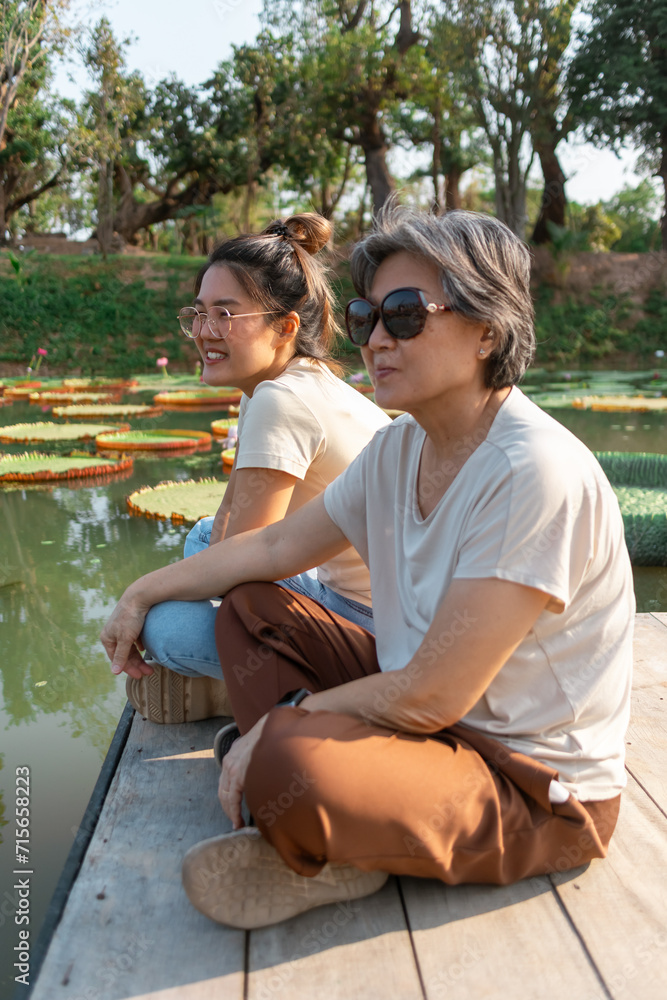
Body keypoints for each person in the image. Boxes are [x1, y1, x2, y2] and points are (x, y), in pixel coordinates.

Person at [101, 207, 634, 931]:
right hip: (427, 726)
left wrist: (285, 723)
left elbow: (431, 694)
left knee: (289, 760)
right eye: (366, 316)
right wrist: (141, 592)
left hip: (528, 783)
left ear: (488, 330)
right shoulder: (398, 448)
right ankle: (325, 808)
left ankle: (315, 808)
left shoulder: (530, 470)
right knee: (254, 606)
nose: (377, 339)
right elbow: (268, 550)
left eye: (406, 316)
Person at [125, 213, 389, 723]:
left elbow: (243, 556)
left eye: (225, 315)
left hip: (375, 628)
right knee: (201, 538)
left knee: (164, 628)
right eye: (199, 314)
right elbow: (227, 532)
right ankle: (249, 673)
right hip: (362, 595)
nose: (204, 332)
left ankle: (269, 691)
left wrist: (140, 596)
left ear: (286, 326)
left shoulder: (280, 400)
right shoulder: (292, 383)